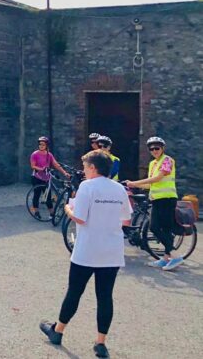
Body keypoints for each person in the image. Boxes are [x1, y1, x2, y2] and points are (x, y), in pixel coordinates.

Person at [40, 150, 130, 359]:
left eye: (85, 167)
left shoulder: (87, 187)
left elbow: (80, 218)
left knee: (75, 292)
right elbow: (126, 221)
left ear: (93, 167)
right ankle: (101, 343)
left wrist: (68, 208)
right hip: (111, 251)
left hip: (88, 250)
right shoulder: (119, 189)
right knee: (105, 296)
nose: (83, 171)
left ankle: (58, 330)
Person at [126, 137, 183, 271]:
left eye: (157, 148)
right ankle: (166, 258)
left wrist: (135, 182)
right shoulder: (153, 164)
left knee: (155, 227)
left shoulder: (167, 160)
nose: (154, 151)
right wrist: (133, 187)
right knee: (163, 229)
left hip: (167, 199)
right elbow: (152, 183)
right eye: (151, 149)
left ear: (163, 148)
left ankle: (174, 255)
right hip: (157, 199)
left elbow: (158, 178)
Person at [29, 136, 71, 219]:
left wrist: (65, 173)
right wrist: (41, 169)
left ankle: (52, 213)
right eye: (40, 144)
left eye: (43, 145)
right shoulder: (35, 154)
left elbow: (56, 165)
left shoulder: (49, 155)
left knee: (48, 196)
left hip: (46, 178)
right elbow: (33, 166)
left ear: (46, 146)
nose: (41, 146)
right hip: (36, 177)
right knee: (36, 195)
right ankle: (36, 212)